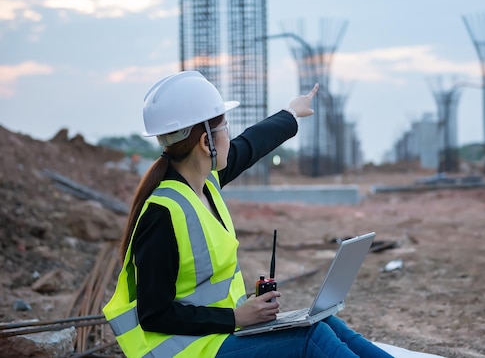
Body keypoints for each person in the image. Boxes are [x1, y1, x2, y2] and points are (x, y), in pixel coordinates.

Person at [103, 70, 394, 358]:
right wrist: (236, 317)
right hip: (187, 350)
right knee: (310, 338)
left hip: (215, 337)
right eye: (225, 128)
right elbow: (154, 314)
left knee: (324, 322)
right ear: (206, 143)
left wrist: (291, 113)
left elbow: (252, 144)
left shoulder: (205, 184)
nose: (230, 137)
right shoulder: (162, 214)